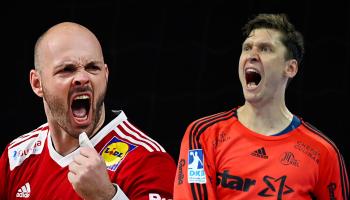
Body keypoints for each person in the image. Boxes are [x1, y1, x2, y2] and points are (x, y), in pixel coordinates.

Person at [173, 13, 349, 199]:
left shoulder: (323, 152)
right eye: (247, 48)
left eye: (265, 49)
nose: (251, 55)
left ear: (290, 68)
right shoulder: (202, 136)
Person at [0, 22, 176, 200]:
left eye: (93, 68)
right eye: (67, 70)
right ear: (37, 83)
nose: (83, 78)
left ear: (105, 76)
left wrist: (107, 197)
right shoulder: (17, 156)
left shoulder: (146, 159)